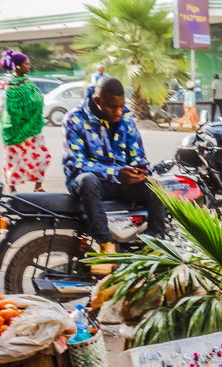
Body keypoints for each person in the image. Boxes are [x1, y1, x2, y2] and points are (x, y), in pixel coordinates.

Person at [63, 76, 167, 275]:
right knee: (87, 180)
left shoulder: (126, 118)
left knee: (156, 187)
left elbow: (136, 154)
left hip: (121, 180)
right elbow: (75, 163)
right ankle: (106, 247)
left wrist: (140, 169)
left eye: (121, 106)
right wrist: (115, 172)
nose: (119, 112)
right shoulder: (75, 119)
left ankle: (154, 247)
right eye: (112, 107)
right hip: (90, 182)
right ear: (97, 101)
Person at [0, 50, 51, 193]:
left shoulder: (27, 81)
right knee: (14, 161)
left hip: (33, 127)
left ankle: (38, 186)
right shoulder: (10, 85)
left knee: (42, 156)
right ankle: (12, 189)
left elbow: (36, 98)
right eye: (26, 64)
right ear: (18, 66)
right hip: (15, 130)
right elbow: (13, 109)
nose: (30, 66)